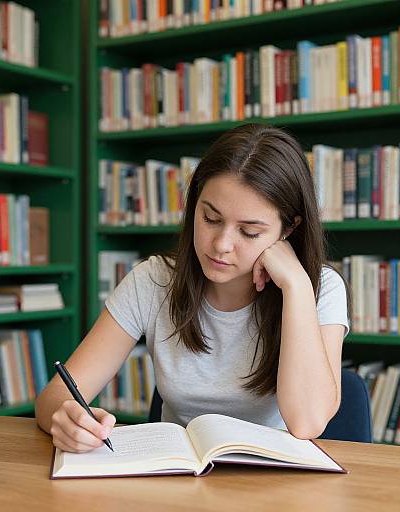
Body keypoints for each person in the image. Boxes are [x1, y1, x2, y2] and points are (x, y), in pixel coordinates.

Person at [35, 123, 350, 454]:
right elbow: (55, 395)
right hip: (179, 478)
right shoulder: (152, 280)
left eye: (250, 232)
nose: (221, 245)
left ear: (289, 228)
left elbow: (307, 422)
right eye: (211, 219)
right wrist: (65, 417)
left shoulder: (320, 288)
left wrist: (297, 286)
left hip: (274, 482)